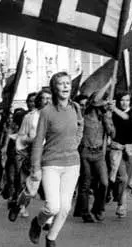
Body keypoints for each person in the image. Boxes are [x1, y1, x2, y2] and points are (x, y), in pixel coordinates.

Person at [28, 72, 84, 247]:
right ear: (54, 88)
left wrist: (75, 143)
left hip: (72, 164)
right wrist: (35, 167)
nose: (66, 86)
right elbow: (38, 141)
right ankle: (37, 222)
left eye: (68, 83)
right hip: (51, 164)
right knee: (53, 207)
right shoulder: (47, 112)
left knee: (65, 207)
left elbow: (80, 126)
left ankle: (51, 238)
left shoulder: (75, 108)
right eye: (61, 84)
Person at [9, 89, 51, 222]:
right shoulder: (30, 117)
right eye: (45, 98)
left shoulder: (56, 115)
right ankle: (18, 205)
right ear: (39, 101)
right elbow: (21, 137)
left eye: (50, 98)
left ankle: (47, 221)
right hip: (36, 154)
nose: (48, 101)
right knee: (31, 190)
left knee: (52, 189)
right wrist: (31, 139)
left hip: (52, 154)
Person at [78, 86, 114, 223]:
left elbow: (112, 134)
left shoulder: (104, 117)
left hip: (99, 153)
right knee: (85, 184)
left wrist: (108, 120)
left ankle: (98, 208)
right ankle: (85, 212)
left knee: (104, 183)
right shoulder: (83, 117)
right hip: (86, 152)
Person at [108, 91, 132, 218]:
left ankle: (121, 201)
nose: (125, 103)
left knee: (128, 181)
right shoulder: (112, 113)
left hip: (131, 148)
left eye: (127, 100)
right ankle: (120, 204)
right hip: (116, 149)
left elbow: (127, 120)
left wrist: (114, 109)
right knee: (122, 178)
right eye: (122, 100)